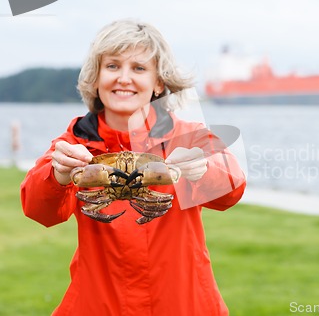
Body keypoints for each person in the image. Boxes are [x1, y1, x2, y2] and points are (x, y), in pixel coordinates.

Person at [20, 19, 246, 315]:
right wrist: (58, 174)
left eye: (139, 68)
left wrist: (204, 169)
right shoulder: (75, 144)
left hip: (185, 303)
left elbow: (232, 189)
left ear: (158, 83)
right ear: (96, 78)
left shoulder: (187, 138)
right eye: (112, 66)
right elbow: (40, 211)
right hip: (97, 303)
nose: (124, 78)